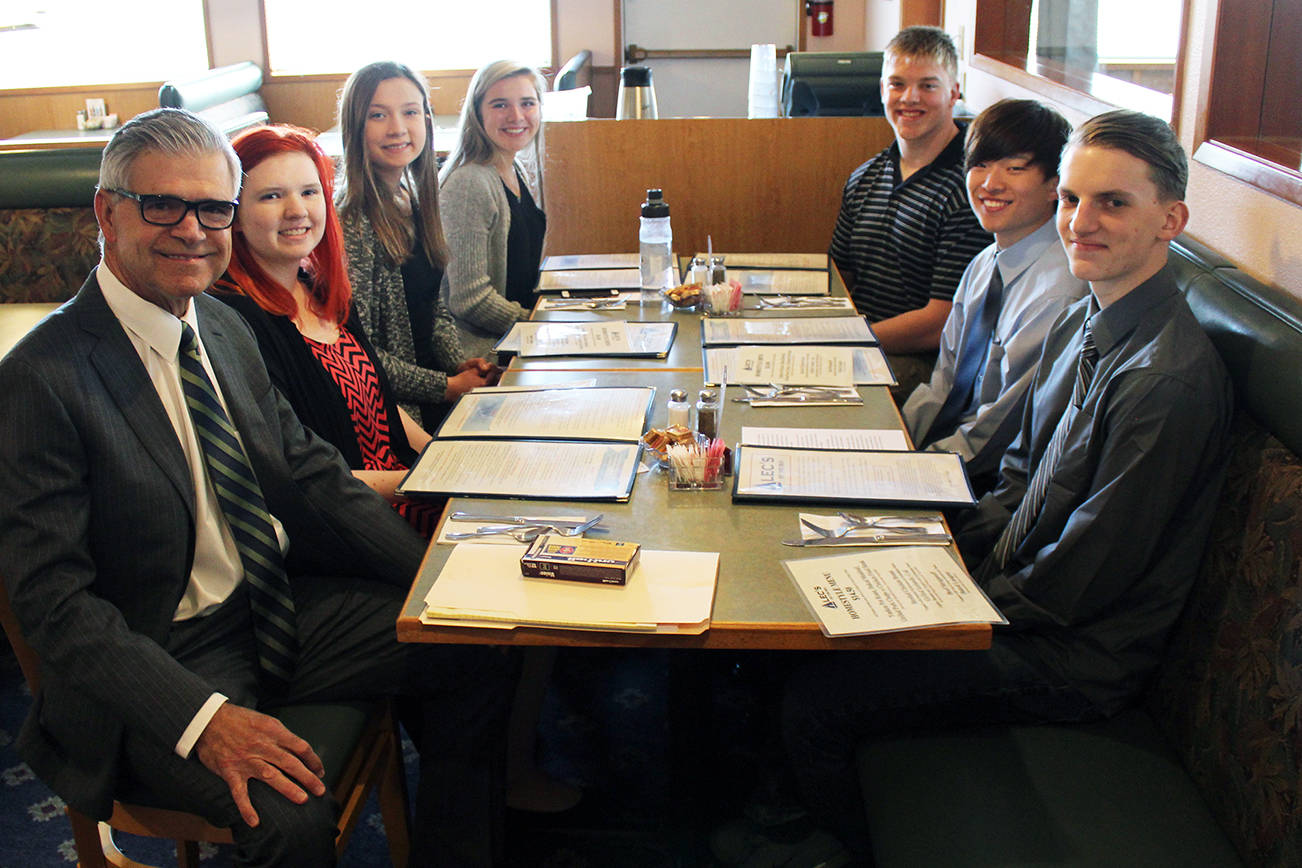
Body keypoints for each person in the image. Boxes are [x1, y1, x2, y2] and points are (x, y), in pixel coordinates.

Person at [0, 108, 510, 867]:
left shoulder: (222, 325)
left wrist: (433, 580)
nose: (193, 230)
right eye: (163, 205)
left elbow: (311, 472)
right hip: (158, 655)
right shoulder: (42, 378)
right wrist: (201, 718)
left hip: (271, 606)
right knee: (288, 816)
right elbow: (55, 606)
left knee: (477, 644)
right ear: (107, 212)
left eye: (213, 209)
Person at [726, 109, 1234, 868]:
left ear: (1172, 219)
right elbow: (1022, 476)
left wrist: (950, 601)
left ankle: (825, 844)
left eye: (1113, 203)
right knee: (792, 578)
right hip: (1013, 593)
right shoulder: (1081, 323)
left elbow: (1086, 575)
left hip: (1070, 656)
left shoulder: (1165, 382)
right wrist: (919, 547)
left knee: (815, 701)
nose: (1080, 223)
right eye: (1071, 199)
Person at [211, 124, 440, 537]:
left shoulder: (318, 289)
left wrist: (445, 456)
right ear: (235, 215)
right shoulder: (235, 319)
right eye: (271, 196)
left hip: (403, 490)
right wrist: (431, 482)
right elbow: (297, 476)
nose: (297, 209)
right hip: (354, 521)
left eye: (309, 191)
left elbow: (380, 405)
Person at [902, 99, 1088, 495]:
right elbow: (945, 381)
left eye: (1015, 168)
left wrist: (910, 473)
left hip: (984, 483)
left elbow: (999, 433)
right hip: (941, 456)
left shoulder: (1058, 293)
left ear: (1056, 184)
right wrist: (897, 444)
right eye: (981, 165)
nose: (990, 184)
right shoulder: (986, 261)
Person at [829, 26, 992, 398]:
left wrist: (841, 341)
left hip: (925, 364)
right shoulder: (865, 176)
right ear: (882, 89)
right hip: (864, 345)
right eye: (898, 84)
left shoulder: (972, 187)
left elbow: (939, 323)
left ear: (954, 92)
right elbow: (840, 277)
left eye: (928, 86)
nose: (910, 98)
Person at [336, 60, 499, 430]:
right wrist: (447, 386)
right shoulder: (351, 220)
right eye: (378, 115)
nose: (398, 128)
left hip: (435, 395)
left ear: (426, 119)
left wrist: (458, 364)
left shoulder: (414, 199)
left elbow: (434, 307)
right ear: (356, 125)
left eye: (410, 112)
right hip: (396, 417)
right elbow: (357, 352)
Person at [440, 60, 548, 359]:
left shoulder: (515, 170)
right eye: (500, 105)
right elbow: (469, 300)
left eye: (527, 103)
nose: (516, 116)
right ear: (477, 113)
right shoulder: (470, 183)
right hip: (486, 354)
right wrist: (542, 326)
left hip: (520, 338)